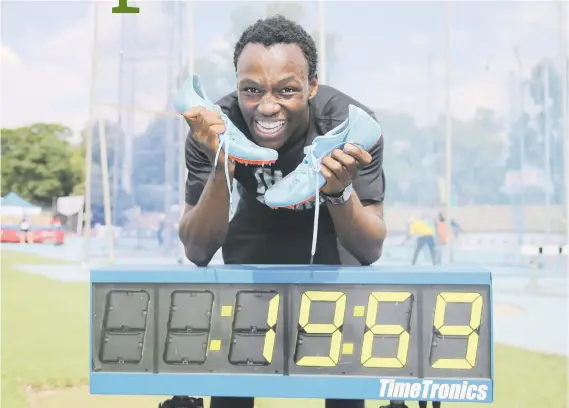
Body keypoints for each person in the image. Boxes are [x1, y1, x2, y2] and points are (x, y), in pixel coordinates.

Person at [165, 14, 387, 408]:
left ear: (312, 86)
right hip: (255, 236)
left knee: (344, 389)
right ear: (237, 86)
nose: (267, 107)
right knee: (232, 387)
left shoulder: (351, 125)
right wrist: (221, 169)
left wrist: (337, 192)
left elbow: (370, 249)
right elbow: (197, 250)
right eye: (251, 90)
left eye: (286, 90)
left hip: (331, 238)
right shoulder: (213, 125)